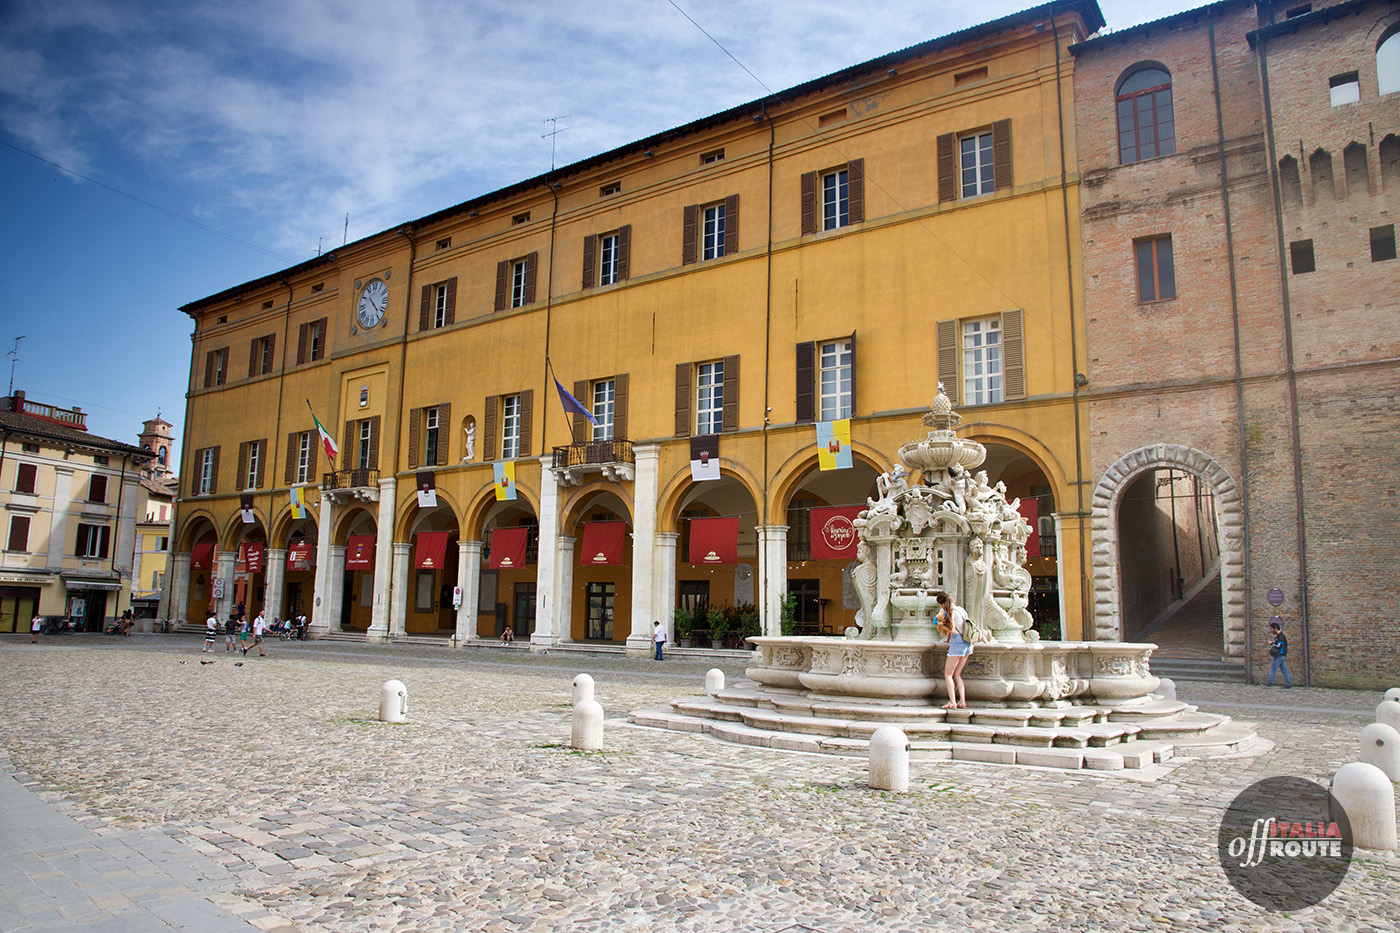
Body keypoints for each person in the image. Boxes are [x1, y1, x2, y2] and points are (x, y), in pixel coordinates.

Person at [935, 591, 972, 710]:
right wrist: (947, 639)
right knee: (957, 674)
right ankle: (962, 701)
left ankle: (952, 702)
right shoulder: (960, 610)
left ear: (941, 604)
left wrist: (941, 625)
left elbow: (952, 630)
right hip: (968, 643)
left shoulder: (951, 612)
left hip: (958, 643)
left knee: (948, 675)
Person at [1266, 621, 1291, 687]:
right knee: (1284, 670)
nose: (1271, 630)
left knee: (1273, 668)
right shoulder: (1279, 636)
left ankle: (1269, 682)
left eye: (1272, 629)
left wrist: (1272, 643)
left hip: (1279, 656)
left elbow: (1279, 646)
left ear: (1276, 628)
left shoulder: (1280, 637)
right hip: (1282, 656)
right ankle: (1288, 683)